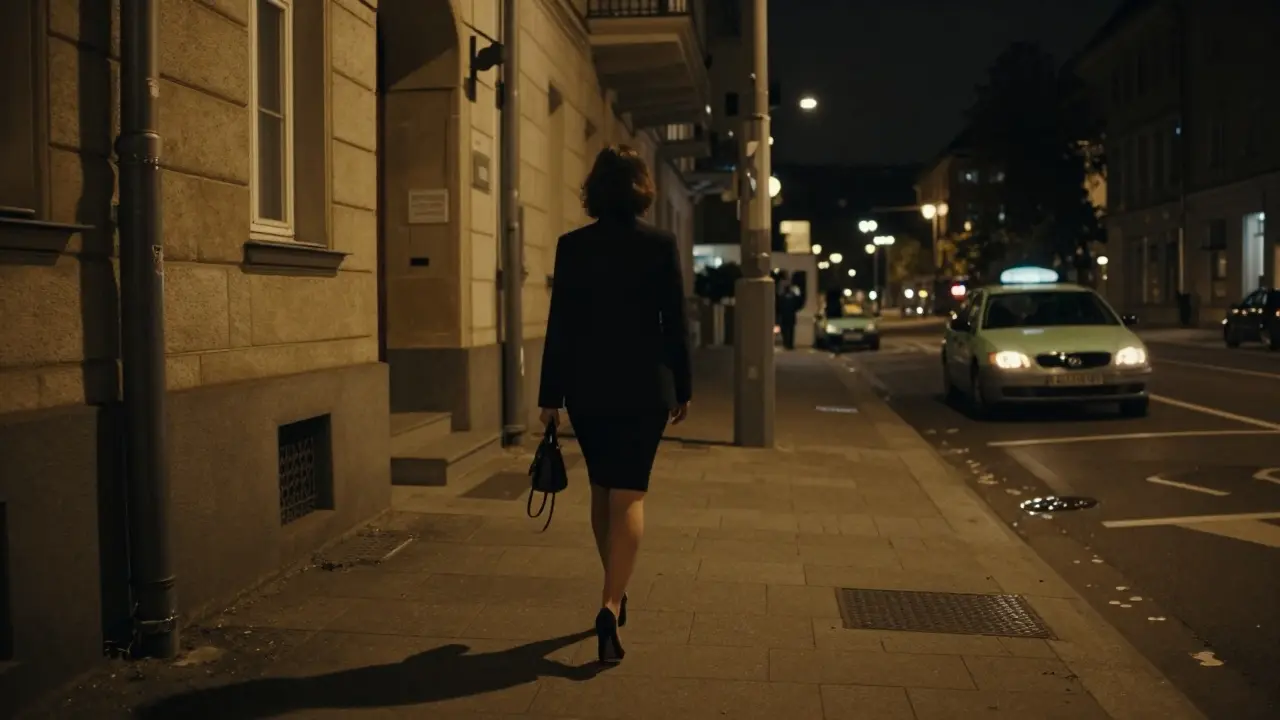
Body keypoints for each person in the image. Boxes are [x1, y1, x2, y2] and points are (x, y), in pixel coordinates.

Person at [537, 145, 693, 665]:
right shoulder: (660, 244)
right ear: (642, 189)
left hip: (588, 387)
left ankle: (614, 590)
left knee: (601, 487)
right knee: (631, 494)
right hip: (644, 387)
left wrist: (549, 397)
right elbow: (675, 322)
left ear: (595, 189)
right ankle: (610, 602)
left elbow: (560, 325)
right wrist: (684, 387)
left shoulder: (572, 246)